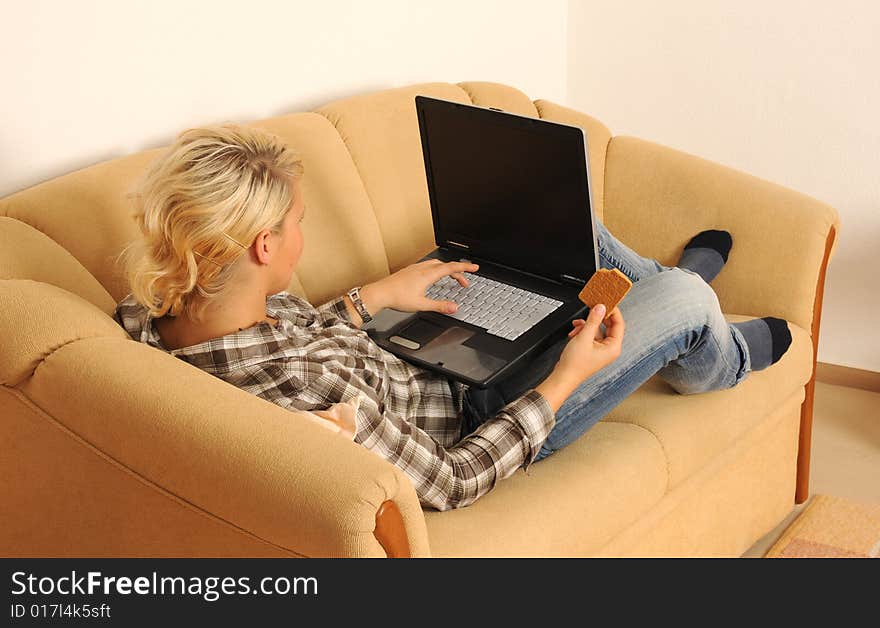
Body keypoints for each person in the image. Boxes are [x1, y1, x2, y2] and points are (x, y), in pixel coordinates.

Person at [114, 124, 792, 511]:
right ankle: (712, 340)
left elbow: (294, 344)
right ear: (265, 246)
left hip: (417, 355)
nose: (302, 234)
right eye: (297, 224)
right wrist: (562, 380)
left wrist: (376, 295)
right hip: (492, 407)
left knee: (553, 219)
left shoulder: (164, 317)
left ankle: (654, 288)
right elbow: (454, 479)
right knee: (689, 303)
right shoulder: (307, 404)